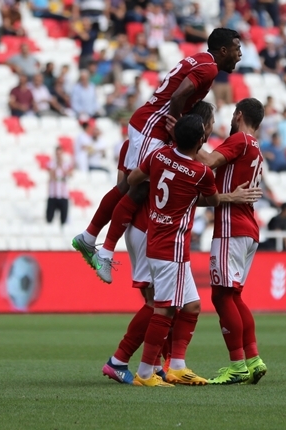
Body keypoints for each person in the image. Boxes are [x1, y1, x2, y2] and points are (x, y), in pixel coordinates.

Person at [73, 28, 242, 283]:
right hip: (151, 127)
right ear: (223, 50)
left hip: (149, 125)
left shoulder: (200, 60)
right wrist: (175, 130)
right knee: (135, 187)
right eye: (237, 49)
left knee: (131, 186)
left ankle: (89, 238)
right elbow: (178, 96)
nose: (240, 54)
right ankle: (103, 251)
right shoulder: (208, 69)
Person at [102, 102, 225, 385]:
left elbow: (133, 178)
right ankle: (145, 373)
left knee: (192, 305)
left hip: (155, 237)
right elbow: (214, 200)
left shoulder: (159, 155)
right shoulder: (201, 173)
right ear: (201, 140)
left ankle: (177, 365)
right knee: (163, 308)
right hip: (171, 246)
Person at [189, 98, 270, 385]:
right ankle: (253, 358)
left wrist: (186, 138)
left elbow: (210, 161)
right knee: (234, 296)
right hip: (248, 229)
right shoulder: (257, 148)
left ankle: (237, 364)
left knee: (221, 295)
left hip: (230, 226)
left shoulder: (241, 141)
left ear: (238, 115)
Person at [46, 146, 73, 226]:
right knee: (49, 218)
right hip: (53, 195)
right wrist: (57, 166)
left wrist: (61, 166)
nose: (58, 156)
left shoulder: (66, 164)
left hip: (63, 195)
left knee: (63, 219)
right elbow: (51, 175)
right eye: (57, 154)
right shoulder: (51, 164)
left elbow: (70, 174)